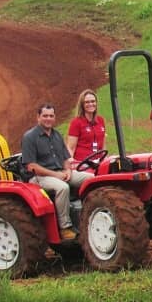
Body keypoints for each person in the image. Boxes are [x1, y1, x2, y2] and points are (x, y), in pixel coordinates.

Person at [22, 103, 92, 241]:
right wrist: (57, 175)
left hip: (60, 172)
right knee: (62, 188)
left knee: (90, 178)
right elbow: (31, 166)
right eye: (45, 116)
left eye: (51, 116)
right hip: (39, 177)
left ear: (54, 118)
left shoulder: (57, 135)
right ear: (38, 117)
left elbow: (65, 157)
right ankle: (65, 227)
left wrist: (68, 170)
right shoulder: (30, 137)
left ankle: (90, 213)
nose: (48, 119)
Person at [65, 89, 107, 163]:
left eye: (93, 101)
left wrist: (104, 159)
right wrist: (71, 164)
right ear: (82, 105)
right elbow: (70, 148)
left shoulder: (101, 120)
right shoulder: (76, 122)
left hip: (99, 162)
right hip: (83, 163)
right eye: (87, 102)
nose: (90, 104)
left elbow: (103, 145)